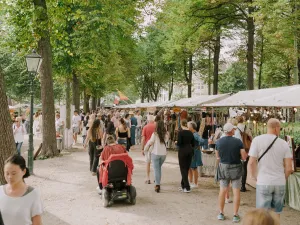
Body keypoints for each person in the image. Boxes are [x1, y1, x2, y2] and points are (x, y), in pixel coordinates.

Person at [248, 118, 293, 218]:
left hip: (263, 181)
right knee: (276, 213)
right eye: (280, 129)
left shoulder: (257, 140)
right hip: (279, 182)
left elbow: (251, 162)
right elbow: (289, 168)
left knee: (262, 215)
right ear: (276, 128)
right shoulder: (284, 144)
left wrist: (253, 176)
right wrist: (282, 177)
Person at [215, 123, 247, 223]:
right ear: (231, 131)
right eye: (233, 129)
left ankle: (221, 213)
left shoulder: (219, 142)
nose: (234, 130)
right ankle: (235, 215)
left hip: (223, 167)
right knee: (236, 191)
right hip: (236, 167)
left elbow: (217, 157)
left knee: (223, 190)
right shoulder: (238, 141)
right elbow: (244, 157)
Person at [0, 155, 43, 225]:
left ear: (24, 171)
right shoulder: (0, 191)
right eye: (7, 173)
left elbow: (37, 223)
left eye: (14, 173)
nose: (10, 177)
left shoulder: (33, 194)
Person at [144, 120, 168, 193]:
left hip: (155, 153)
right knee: (158, 168)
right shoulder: (166, 134)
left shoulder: (155, 134)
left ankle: (157, 185)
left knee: (156, 169)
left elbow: (150, 143)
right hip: (163, 154)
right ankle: (157, 181)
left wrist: (145, 148)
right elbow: (166, 141)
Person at [234, 116, 253, 192]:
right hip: (246, 149)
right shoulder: (247, 128)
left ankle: (236, 185)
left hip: (237, 149)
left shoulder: (235, 129)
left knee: (236, 166)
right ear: (243, 120)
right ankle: (243, 186)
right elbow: (251, 138)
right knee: (244, 167)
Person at [177, 119, 195, 193]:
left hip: (182, 151)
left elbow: (179, 143)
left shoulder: (180, 133)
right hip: (190, 150)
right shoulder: (191, 133)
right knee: (186, 168)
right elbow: (193, 143)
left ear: (181, 124)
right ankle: (183, 184)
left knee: (182, 168)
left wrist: (176, 142)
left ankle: (187, 187)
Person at [188, 121, 204, 189]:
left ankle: (195, 183)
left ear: (191, 127)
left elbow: (202, 141)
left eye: (188, 126)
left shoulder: (195, 134)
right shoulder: (192, 134)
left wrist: (197, 146)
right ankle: (191, 182)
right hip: (192, 152)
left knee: (194, 168)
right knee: (190, 168)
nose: (187, 127)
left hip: (194, 152)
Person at [141, 115, 156, 184]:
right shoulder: (156, 127)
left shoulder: (145, 127)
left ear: (148, 120)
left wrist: (142, 148)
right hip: (155, 146)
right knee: (155, 163)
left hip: (148, 147)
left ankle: (148, 178)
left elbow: (143, 139)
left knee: (148, 163)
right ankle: (156, 178)